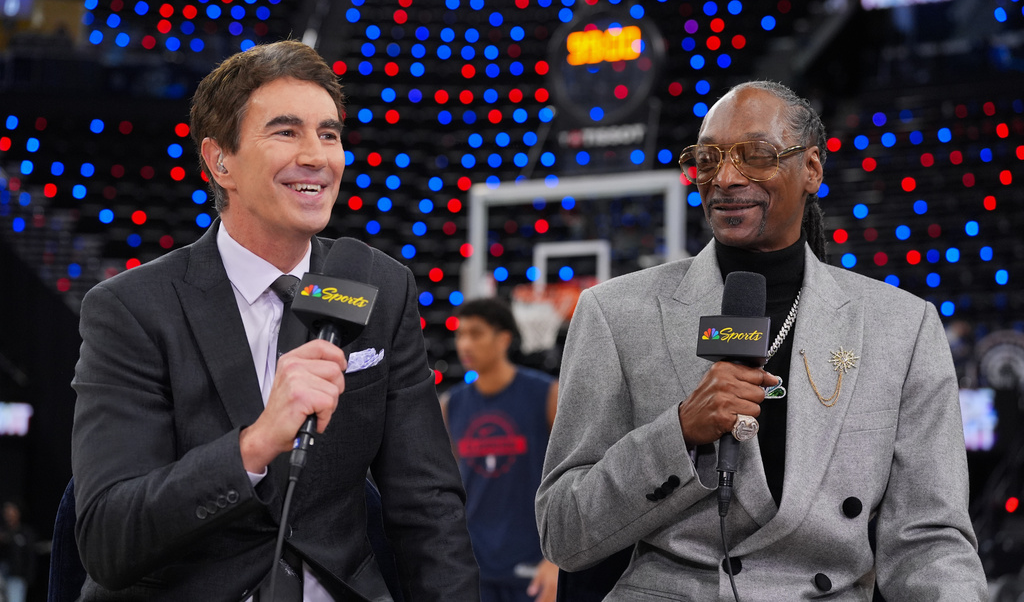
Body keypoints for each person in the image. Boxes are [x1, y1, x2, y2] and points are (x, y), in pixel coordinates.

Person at [535, 81, 987, 600]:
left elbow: (929, 542)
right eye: (708, 159)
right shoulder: (614, 314)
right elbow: (563, 532)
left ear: (811, 169)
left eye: (755, 156)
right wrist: (677, 433)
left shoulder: (903, 327)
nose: (725, 178)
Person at [71, 40, 479, 601]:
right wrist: (256, 444)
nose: (317, 156)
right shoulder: (132, 309)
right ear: (220, 162)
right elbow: (107, 538)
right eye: (286, 132)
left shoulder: (380, 287)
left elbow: (427, 505)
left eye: (329, 134)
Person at [441, 298, 559, 602]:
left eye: (476, 333)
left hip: (536, 563)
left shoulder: (548, 394)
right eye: (460, 334)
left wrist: (558, 560)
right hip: (475, 564)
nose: (465, 344)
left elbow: (572, 480)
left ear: (504, 338)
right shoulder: (450, 405)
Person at [0, 500, 36, 602]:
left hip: (17, 576)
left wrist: (29, 576)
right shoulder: (2, 531)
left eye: (11, 513)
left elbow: (30, 556)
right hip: (2, 575)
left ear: (18, 513)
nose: (9, 516)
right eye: (7, 513)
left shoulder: (25, 533)